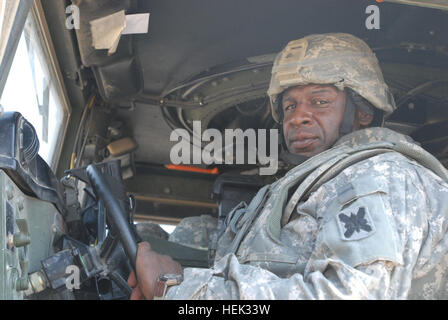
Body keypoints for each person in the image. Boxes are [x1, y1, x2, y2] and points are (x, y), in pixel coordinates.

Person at [127, 33, 448, 300]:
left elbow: (348, 294)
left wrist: (178, 292)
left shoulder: (375, 174)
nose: (299, 116)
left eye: (320, 101)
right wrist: (149, 243)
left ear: (363, 112)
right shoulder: (319, 183)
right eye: (290, 105)